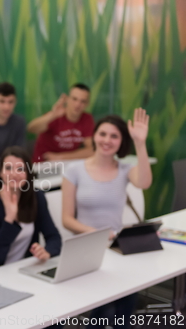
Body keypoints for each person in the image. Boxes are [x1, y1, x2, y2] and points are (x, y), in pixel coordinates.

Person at [62, 108, 153, 329]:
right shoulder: (74, 170)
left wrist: (140, 143)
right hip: (86, 248)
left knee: (125, 304)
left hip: (116, 248)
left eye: (114, 136)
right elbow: (67, 219)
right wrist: (97, 234)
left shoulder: (124, 169)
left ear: (121, 141)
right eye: (103, 134)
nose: (107, 140)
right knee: (105, 310)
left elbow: (144, 182)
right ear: (94, 136)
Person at [0, 146, 61, 275]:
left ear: (28, 173)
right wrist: (10, 218)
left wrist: (47, 252)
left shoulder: (35, 197)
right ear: (0, 172)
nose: (14, 174)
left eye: (20, 169)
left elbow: (54, 237)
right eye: (8, 168)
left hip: (21, 270)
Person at [28, 83, 95, 162]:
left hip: (67, 164)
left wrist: (60, 157)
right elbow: (31, 128)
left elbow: (92, 150)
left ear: (87, 104)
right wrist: (52, 115)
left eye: (82, 101)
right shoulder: (56, 114)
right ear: (67, 99)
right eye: (74, 99)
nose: (78, 104)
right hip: (44, 164)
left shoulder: (87, 119)